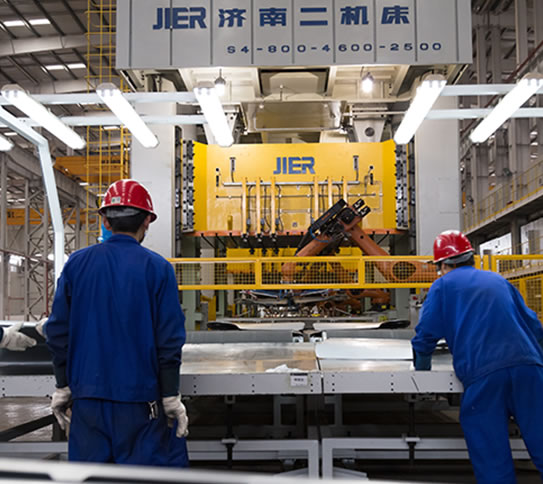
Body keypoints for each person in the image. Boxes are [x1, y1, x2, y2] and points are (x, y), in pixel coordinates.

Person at [45, 179, 188, 466]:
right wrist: (170, 394)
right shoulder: (158, 268)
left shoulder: (77, 264)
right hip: (140, 402)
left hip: (87, 401)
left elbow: (58, 331)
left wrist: (63, 385)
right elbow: (169, 339)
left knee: (91, 477)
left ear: (105, 221)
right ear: (147, 221)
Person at [412, 229, 543, 483]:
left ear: (444, 264)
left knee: (491, 451)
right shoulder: (499, 280)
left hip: (484, 374)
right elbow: (535, 327)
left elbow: (426, 334)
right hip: (529, 368)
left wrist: (422, 372)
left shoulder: (442, 286)